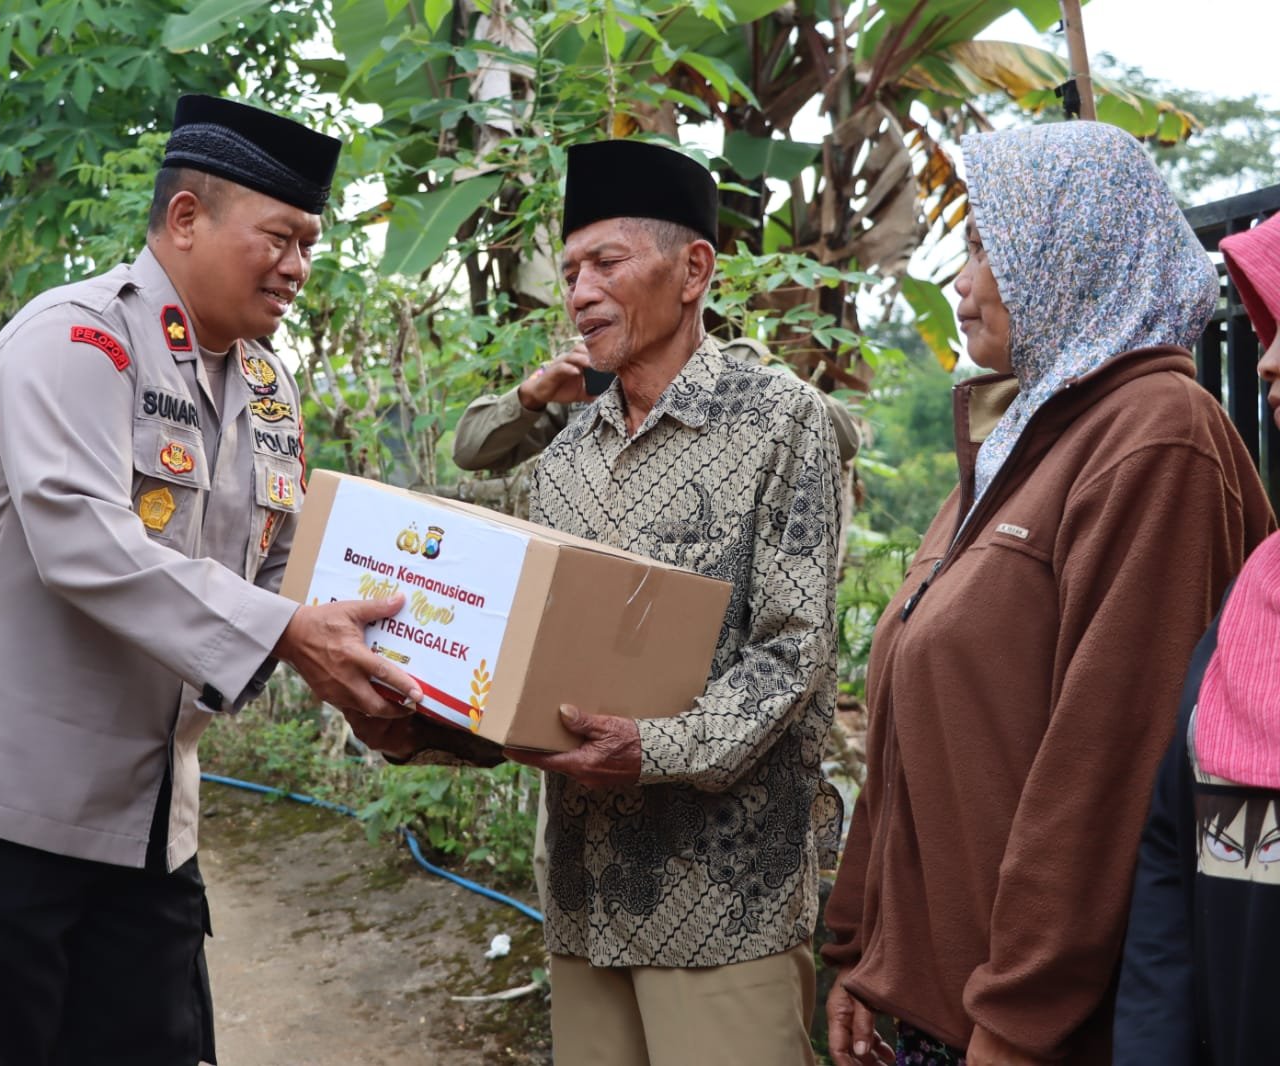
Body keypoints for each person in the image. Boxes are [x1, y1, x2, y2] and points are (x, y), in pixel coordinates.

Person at [0, 95, 424, 1066]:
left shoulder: (267, 390)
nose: (297, 267)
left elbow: (280, 576)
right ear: (187, 219)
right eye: (280, 237)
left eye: (310, 245)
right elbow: (82, 540)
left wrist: (373, 679)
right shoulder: (75, 340)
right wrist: (290, 636)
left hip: (145, 821)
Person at [351, 138, 845, 1065]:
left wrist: (650, 747)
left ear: (694, 268)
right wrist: (420, 724)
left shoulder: (781, 421)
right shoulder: (568, 447)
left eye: (607, 262)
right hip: (582, 895)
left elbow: (791, 651)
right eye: (571, 268)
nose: (578, 291)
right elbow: (526, 652)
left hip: (721, 905)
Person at [820, 120, 1275, 1066]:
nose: (962, 279)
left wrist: (1017, 1029)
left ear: (1068, 248)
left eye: (985, 244)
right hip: (945, 1006)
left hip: (1035, 1032)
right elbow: (909, 718)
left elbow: (1104, 771)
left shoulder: (1156, 438)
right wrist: (865, 950)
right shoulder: (1018, 441)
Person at [1114, 210, 1280, 1066]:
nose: (1268, 360)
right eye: (1268, 329)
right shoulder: (1259, 588)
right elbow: (1173, 853)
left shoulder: (1163, 438)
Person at [452, 338, 861, 472]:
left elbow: (844, 439)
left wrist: (736, 378)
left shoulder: (732, 363)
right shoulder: (588, 374)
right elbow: (470, 452)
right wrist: (534, 394)